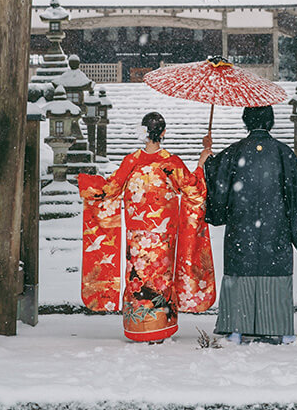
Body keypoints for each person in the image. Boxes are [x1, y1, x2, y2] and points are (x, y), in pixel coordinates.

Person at [78, 111, 215, 342]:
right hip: (163, 237)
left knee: (138, 275)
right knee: (160, 276)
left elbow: (109, 190)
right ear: (163, 133)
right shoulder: (171, 162)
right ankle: (159, 325)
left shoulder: (131, 161)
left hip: (138, 236)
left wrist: (86, 183)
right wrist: (202, 161)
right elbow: (194, 190)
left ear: (144, 133)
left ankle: (138, 326)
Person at [201, 104, 297, 344]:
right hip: (276, 228)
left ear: (246, 122)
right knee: (274, 273)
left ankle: (236, 329)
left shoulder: (234, 153)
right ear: (270, 122)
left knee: (240, 271)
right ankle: (281, 330)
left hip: (241, 227)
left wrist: (207, 158)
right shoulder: (283, 153)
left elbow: (216, 181)